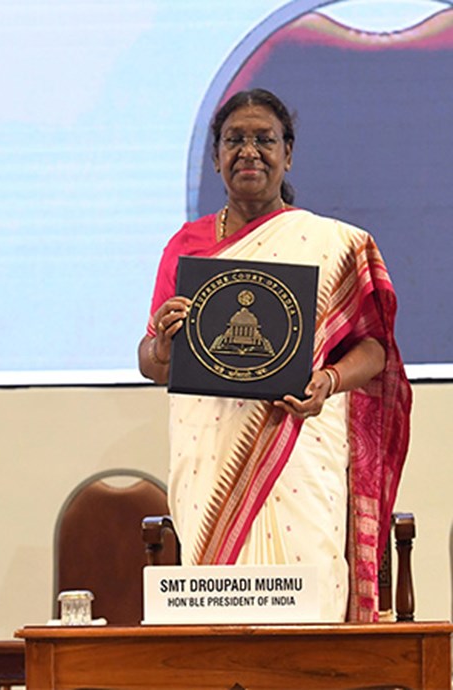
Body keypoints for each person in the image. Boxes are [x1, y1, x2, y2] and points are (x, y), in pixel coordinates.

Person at [138, 88, 411, 623]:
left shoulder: (334, 245)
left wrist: (328, 381)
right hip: (211, 458)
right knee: (215, 622)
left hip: (300, 448)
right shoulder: (186, 245)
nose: (249, 151)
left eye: (264, 139)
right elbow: (151, 362)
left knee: (308, 614)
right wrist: (164, 345)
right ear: (216, 156)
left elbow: (374, 350)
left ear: (288, 154)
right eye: (234, 140)